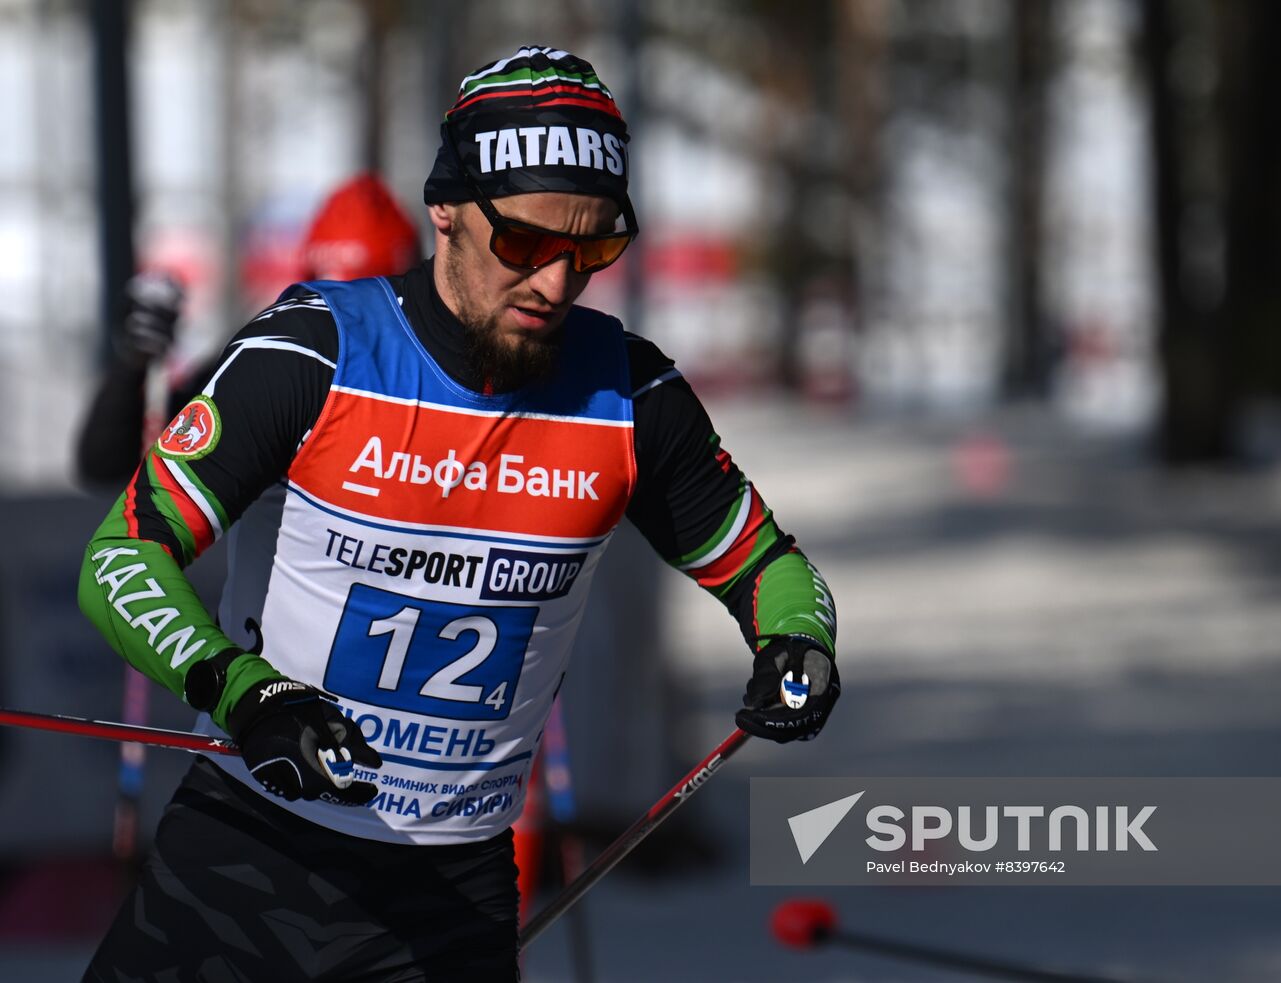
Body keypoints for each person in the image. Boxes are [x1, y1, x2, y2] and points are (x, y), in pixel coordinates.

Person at [77, 45, 838, 981]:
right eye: (523, 243)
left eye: (592, 248)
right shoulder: (314, 353)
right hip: (244, 861)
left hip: (449, 898)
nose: (556, 284)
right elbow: (121, 557)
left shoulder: (632, 396)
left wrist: (798, 642)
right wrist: (242, 689)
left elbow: (768, 568)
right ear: (445, 208)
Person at [75, 172, 421, 486]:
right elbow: (109, 463)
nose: (347, 322)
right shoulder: (276, 367)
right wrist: (134, 367)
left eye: (368, 300)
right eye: (329, 298)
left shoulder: (449, 377)